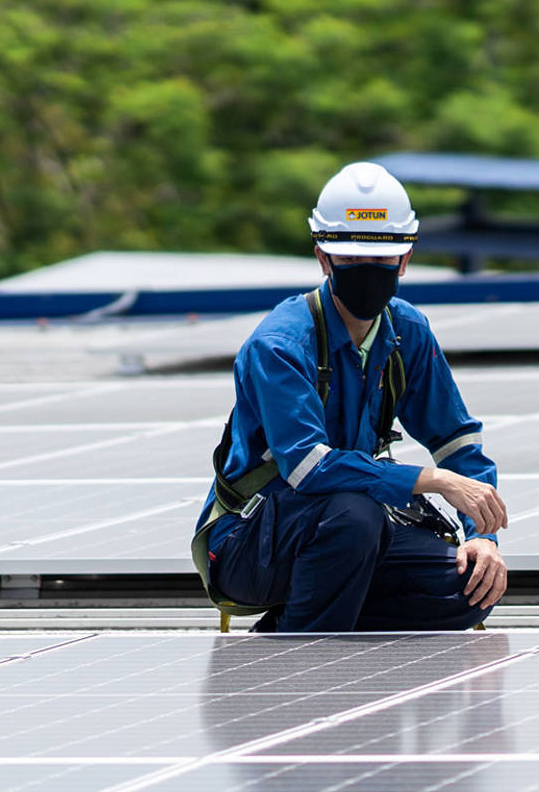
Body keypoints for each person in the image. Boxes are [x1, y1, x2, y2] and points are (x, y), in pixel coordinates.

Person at [192, 161, 508, 633]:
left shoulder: (407, 333)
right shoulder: (280, 344)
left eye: (382, 261)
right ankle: (298, 647)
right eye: (351, 260)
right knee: (353, 512)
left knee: (465, 586)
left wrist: (482, 538)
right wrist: (432, 481)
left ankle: (307, 613)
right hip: (251, 545)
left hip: (351, 532)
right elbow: (307, 467)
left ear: (405, 258)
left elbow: (456, 441)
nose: (368, 272)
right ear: (323, 258)